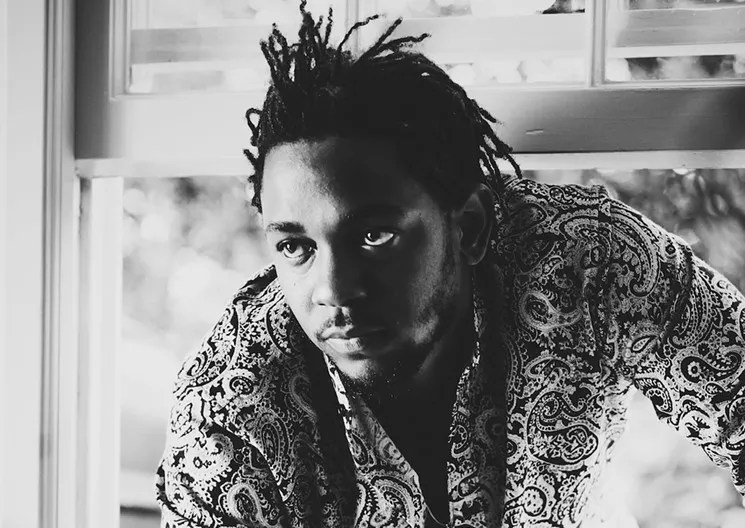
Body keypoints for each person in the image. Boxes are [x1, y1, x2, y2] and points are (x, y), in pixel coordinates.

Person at [155, 4, 745, 527]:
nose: (333, 290)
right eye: (295, 247)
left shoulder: (586, 263)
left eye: (374, 235)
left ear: (469, 228)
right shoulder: (229, 412)